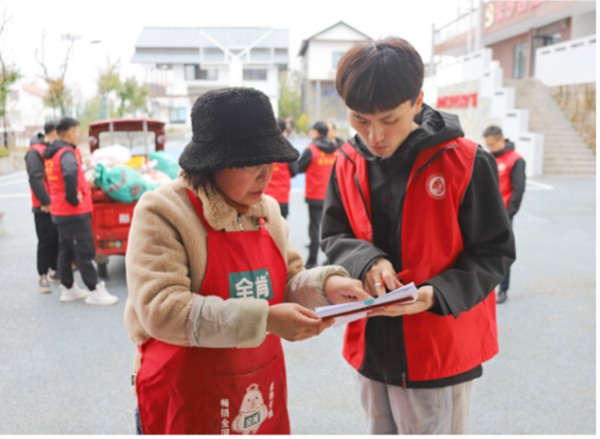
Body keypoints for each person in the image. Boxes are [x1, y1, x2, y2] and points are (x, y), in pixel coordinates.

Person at [124, 87, 369, 435]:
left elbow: (289, 281)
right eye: (251, 166)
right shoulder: (163, 212)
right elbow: (162, 310)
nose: (265, 177)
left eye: (269, 163)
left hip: (255, 385)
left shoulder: (266, 210)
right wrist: (266, 319)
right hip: (184, 393)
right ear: (211, 164)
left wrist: (326, 285)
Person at [320, 37, 516, 434]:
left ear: (418, 100)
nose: (374, 135)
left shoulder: (464, 160)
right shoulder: (347, 160)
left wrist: (434, 294)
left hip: (437, 346)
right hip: (370, 344)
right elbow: (334, 233)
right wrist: (367, 259)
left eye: (389, 119)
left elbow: (494, 253)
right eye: (360, 119)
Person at [44, 117, 118, 305]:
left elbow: (51, 179)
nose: (78, 135)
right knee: (85, 251)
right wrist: (72, 198)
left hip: (60, 212)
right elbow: (69, 174)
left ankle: (68, 288)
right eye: (76, 132)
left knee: (66, 251)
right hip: (73, 212)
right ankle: (94, 290)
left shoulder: (53, 153)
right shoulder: (67, 153)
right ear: (69, 133)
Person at [483, 125, 526, 304]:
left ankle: (503, 289)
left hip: (503, 215)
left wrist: (509, 214)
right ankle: (485, 287)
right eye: (488, 145)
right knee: (482, 251)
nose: (490, 148)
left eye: (492, 144)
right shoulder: (486, 158)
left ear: (501, 139)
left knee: (502, 253)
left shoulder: (516, 160)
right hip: (485, 214)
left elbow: (518, 190)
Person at [295, 121, 338, 269]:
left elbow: (298, 168)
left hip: (315, 195)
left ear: (316, 132)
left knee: (314, 228)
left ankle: (312, 260)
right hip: (332, 194)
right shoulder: (336, 149)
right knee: (331, 228)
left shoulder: (311, 149)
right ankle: (330, 259)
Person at [25, 120, 60, 293]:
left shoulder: (50, 149)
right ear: (53, 132)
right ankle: (42, 276)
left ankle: (55, 270)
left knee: (56, 238)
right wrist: (46, 202)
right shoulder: (35, 152)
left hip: (57, 204)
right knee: (46, 240)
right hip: (43, 206)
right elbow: (35, 178)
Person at [264, 118, 297, 218]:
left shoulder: (262, 147)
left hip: (265, 196)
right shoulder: (288, 148)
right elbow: (295, 171)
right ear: (285, 130)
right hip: (282, 196)